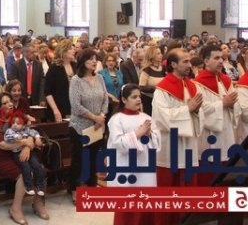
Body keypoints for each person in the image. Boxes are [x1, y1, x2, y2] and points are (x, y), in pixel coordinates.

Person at [152, 49, 204, 225]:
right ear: (173, 64)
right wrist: (188, 109)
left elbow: (199, 113)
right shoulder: (162, 89)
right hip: (170, 145)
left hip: (189, 144)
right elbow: (161, 117)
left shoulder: (191, 86)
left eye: (190, 61)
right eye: (185, 62)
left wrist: (196, 111)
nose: (190, 65)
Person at [0, 92, 49, 225]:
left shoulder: (16, 118)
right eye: (4, 103)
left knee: (39, 167)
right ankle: (15, 209)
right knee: (22, 174)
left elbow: (28, 133)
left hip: (17, 152)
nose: (9, 104)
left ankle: (37, 203)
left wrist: (27, 147)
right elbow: (3, 145)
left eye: (10, 101)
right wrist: (24, 143)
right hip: (1, 156)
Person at [107, 83, 161, 225]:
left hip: (145, 165)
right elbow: (118, 143)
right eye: (134, 97)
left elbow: (157, 141)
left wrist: (150, 134)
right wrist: (137, 134)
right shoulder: (116, 119)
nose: (138, 100)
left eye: (139, 97)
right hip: (126, 166)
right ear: (124, 99)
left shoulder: (146, 117)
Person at [192, 45, 240, 186]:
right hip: (208, 136)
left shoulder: (227, 81)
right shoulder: (197, 83)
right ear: (206, 61)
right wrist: (223, 103)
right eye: (216, 58)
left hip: (227, 132)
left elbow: (237, 105)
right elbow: (200, 108)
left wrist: (232, 105)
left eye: (222, 58)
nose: (220, 61)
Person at [68, 48, 108, 204]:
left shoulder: (100, 78)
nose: (94, 61)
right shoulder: (76, 81)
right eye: (90, 58)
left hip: (97, 126)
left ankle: (92, 186)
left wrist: (101, 116)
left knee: (93, 158)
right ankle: (75, 189)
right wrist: (94, 117)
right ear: (82, 61)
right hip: (80, 127)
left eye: (95, 58)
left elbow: (105, 100)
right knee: (79, 160)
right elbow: (76, 105)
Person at [4, 116, 45, 195]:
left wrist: (37, 138)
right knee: (26, 167)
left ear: (23, 125)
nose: (15, 125)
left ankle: (40, 186)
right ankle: (29, 186)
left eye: (18, 123)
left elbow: (34, 132)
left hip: (29, 151)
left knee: (37, 166)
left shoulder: (26, 130)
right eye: (13, 123)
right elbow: (7, 138)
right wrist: (16, 137)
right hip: (17, 153)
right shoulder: (10, 131)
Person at [44, 38, 75, 122]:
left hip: (74, 109)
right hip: (58, 108)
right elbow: (48, 91)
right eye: (70, 49)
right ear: (63, 51)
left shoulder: (75, 66)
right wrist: (55, 109)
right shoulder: (54, 68)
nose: (73, 50)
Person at [139, 45, 166, 116]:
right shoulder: (146, 70)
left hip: (161, 100)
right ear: (152, 56)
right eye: (158, 54)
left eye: (160, 53)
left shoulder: (164, 69)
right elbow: (141, 87)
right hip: (148, 100)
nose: (161, 55)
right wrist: (156, 89)